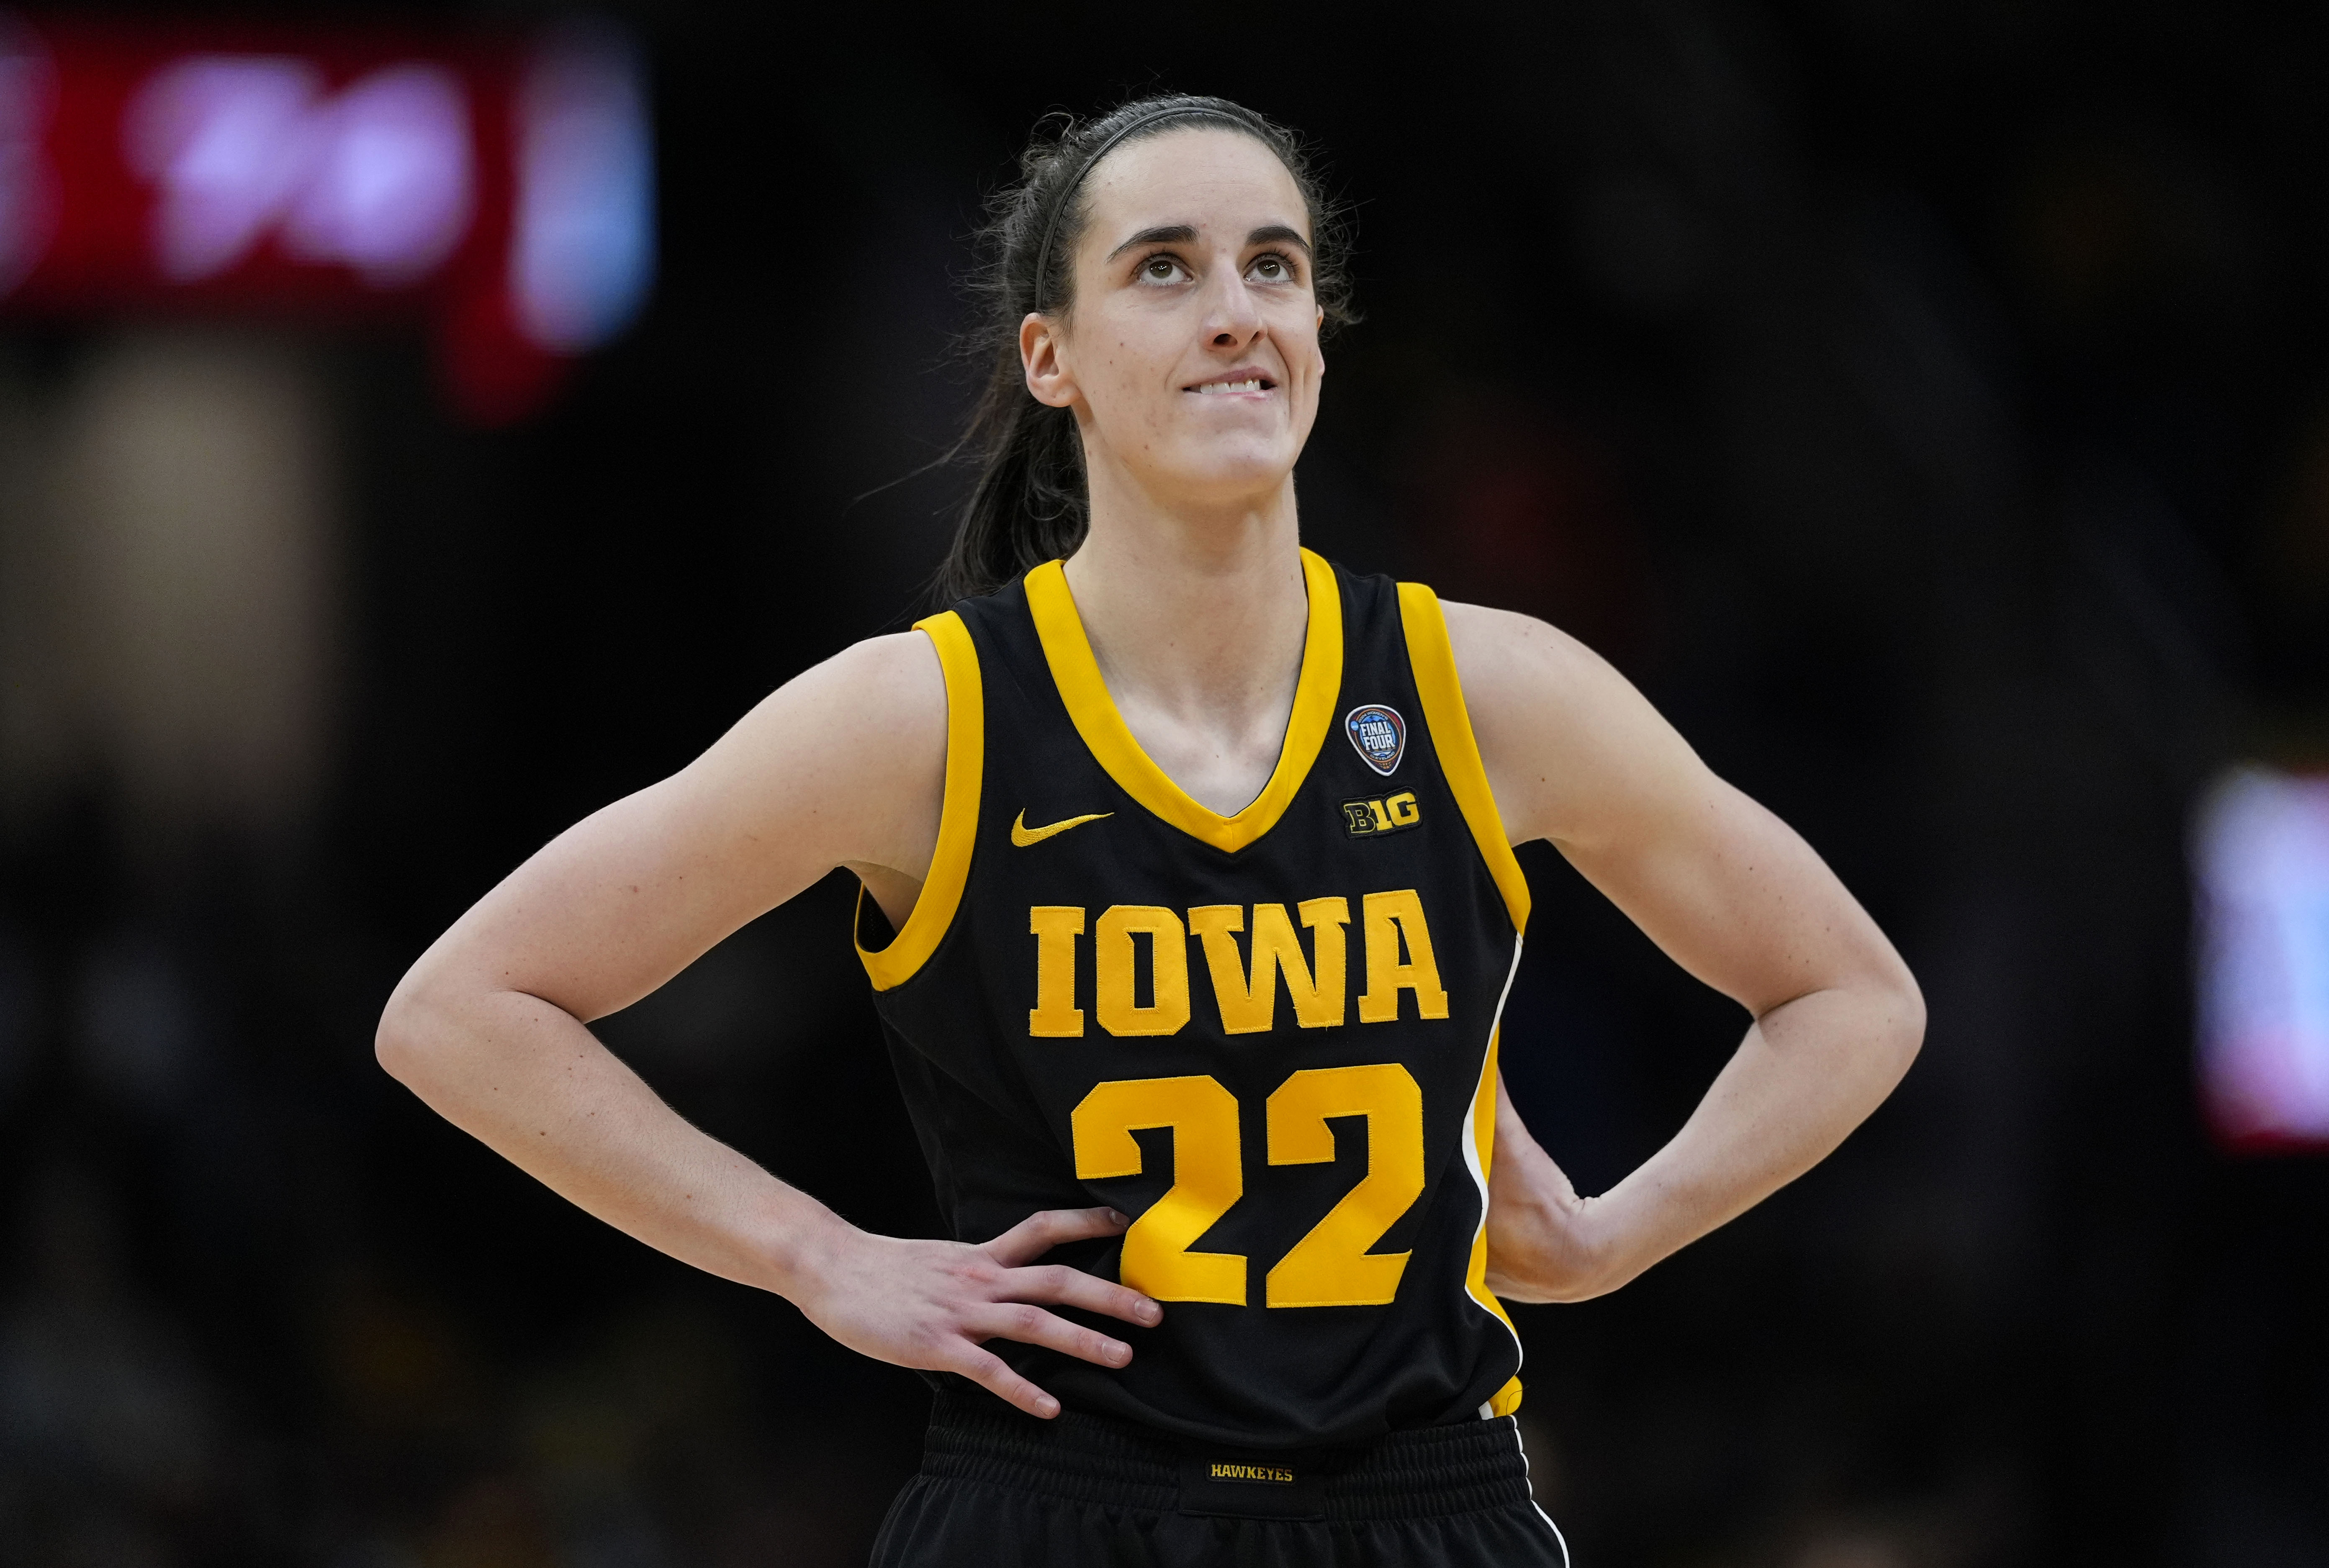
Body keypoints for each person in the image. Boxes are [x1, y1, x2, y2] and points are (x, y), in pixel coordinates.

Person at [376, 94, 1925, 1568]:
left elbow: (1851, 995)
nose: (1237, 307)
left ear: (1320, 336)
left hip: (1426, 1498)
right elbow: (463, 1011)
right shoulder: (925, 718)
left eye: (1276, 265)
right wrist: (817, 1255)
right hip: (1056, 1502)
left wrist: (1611, 1236)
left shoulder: (1486, 689)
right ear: (1051, 357)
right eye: (1165, 268)